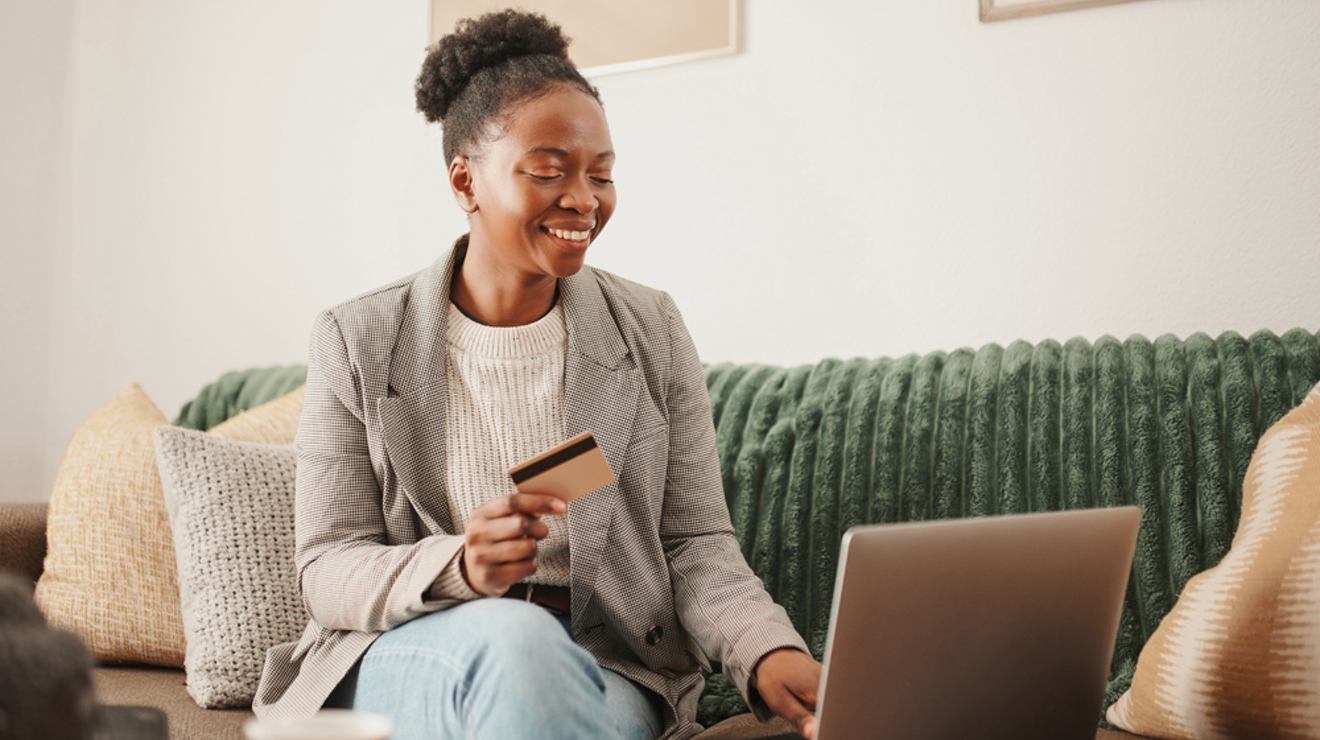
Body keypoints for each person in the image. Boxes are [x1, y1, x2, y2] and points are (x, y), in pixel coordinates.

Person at [252, 10, 822, 740]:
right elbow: (328, 565)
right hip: (414, 650)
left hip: (600, 669)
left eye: (602, 174)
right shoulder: (358, 337)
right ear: (465, 181)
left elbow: (694, 544)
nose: (584, 199)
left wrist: (767, 652)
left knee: (541, 675)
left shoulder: (649, 329)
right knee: (516, 647)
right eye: (550, 171)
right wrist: (459, 565)